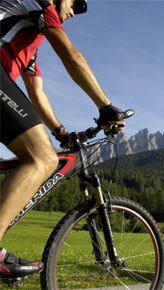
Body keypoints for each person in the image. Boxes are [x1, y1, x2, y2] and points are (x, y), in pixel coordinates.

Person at [1, 0, 128, 279]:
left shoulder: (28, 41)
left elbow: (37, 94)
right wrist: (106, 105)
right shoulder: (40, 3)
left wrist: (61, 132)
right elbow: (69, 54)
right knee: (42, 158)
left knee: (36, 155)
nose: (73, 11)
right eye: (73, 2)